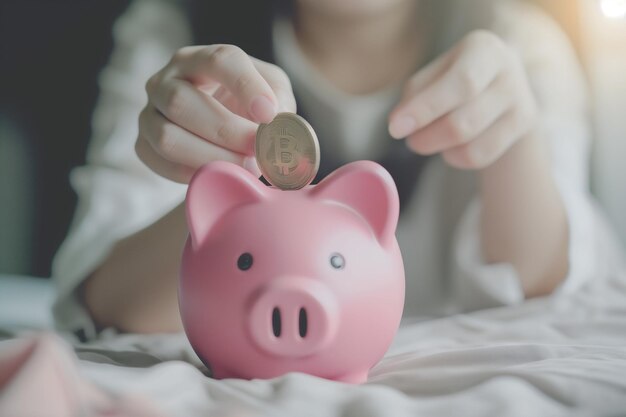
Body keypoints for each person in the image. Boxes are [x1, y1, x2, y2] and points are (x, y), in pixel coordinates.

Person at [52, 0, 622, 340]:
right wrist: (232, 180)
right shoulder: (175, 34)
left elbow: (552, 290)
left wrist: (513, 146)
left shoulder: (524, 44)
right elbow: (103, 303)